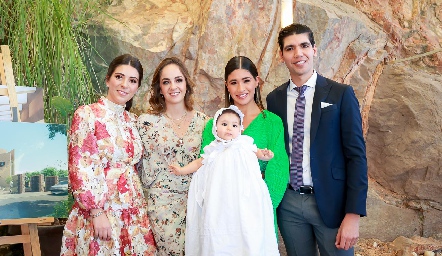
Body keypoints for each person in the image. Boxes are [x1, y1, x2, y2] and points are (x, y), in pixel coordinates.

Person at [266, 23, 368, 256]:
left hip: (332, 204)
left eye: (303, 46)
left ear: (314, 49)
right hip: (289, 205)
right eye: (290, 48)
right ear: (281, 56)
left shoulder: (341, 94)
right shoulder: (275, 99)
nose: (298, 53)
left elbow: (356, 156)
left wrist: (353, 214)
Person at [60, 54, 156, 255]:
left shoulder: (132, 120)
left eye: (132, 80)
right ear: (108, 79)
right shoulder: (87, 114)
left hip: (133, 211)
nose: (125, 85)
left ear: (137, 87)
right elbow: (81, 166)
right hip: (101, 212)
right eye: (119, 77)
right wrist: (96, 212)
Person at [170, 105, 279, 255]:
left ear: (240, 128)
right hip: (220, 198)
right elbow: (198, 163)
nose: (229, 128)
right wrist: (182, 170)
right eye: (224, 124)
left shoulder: (245, 143)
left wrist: (265, 155)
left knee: (246, 227)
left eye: (234, 125)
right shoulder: (213, 148)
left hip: (244, 197)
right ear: (215, 127)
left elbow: (258, 152)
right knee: (220, 226)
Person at [200, 56, 289, 238]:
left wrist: (261, 206)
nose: (241, 89)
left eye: (246, 80)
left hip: (259, 212)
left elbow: (278, 169)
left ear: (257, 81)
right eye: (234, 82)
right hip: (221, 214)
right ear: (227, 86)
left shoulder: (272, 122)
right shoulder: (213, 126)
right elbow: (206, 167)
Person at [136, 57, 208, 255]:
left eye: (178, 80)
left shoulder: (205, 123)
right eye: (166, 82)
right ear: (159, 88)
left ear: (186, 84)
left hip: (198, 203)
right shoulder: (146, 123)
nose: (173, 86)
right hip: (162, 207)